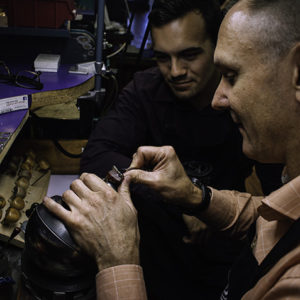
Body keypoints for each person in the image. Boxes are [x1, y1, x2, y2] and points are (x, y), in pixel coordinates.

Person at [44, 0, 300, 299]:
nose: (176, 71)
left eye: (231, 75)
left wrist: (117, 261)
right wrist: (194, 199)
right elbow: (271, 212)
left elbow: (270, 203)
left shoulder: (269, 125)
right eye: (163, 58)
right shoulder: (146, 90)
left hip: (221, 256)